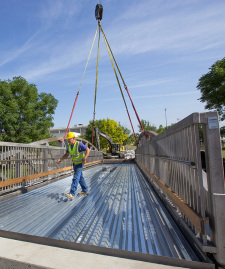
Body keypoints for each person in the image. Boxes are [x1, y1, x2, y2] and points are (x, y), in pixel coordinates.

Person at [57, 132, 90, 200]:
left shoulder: (79, 144)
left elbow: (88, 150)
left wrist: (85, 158)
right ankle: (85, 190)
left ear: (74, 138)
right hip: (75, 163)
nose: (68, 140)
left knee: (76, 177)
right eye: (68, 139)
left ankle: (72, 193)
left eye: (70, 139)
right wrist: (61, 159)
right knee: (80, 177)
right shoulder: (69, 146)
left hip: (80, 163)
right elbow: (66, 154)